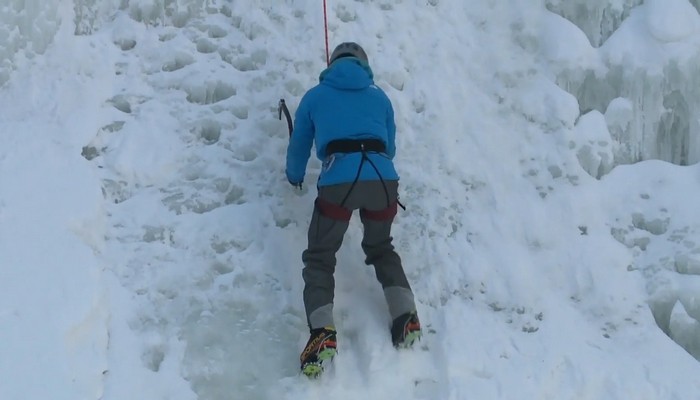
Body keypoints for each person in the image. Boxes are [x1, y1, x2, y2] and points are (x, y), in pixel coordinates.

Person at [285, 42, 421, 377]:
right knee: (381, 247)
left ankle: (322, 334)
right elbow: (389, 146)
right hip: (382, 179)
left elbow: (300, 142)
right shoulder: (379, 97)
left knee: (320, 256)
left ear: (332, 64)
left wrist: (295, 176)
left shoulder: (315, 96)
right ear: (364, 65)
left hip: (339, 182)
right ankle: (405, 316)